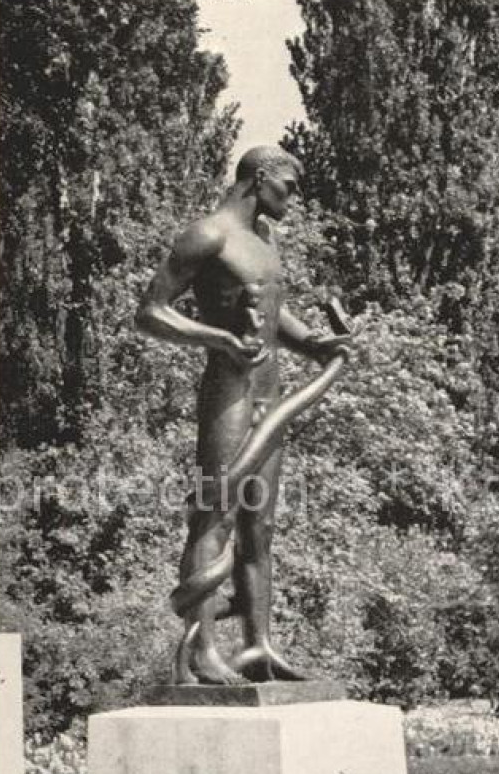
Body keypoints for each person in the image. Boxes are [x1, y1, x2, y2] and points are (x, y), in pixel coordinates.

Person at [136, 145, 349, 685]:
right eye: (289, 187)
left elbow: (274, 314)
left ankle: (258, 647)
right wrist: (221, 340)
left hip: (270, 397)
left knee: (261, 525)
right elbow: (150, 312)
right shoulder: (209, 235)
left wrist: (317, 342)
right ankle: (201, 652)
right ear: (259, 179)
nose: (293, 199)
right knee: (218, 513)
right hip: (228, 395)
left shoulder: (265, 242)